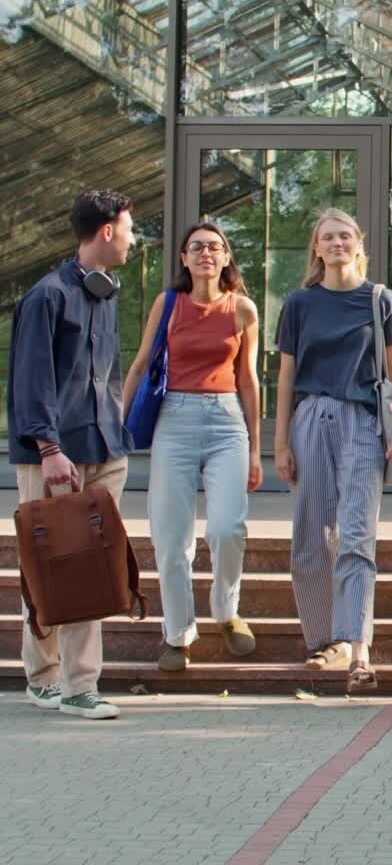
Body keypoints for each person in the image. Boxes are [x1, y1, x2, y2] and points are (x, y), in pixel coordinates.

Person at [8, 189, 136, 720]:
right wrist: (50, 449)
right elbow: (30, 378)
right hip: (55, 455)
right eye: (129, 228)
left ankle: (79, 682)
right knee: (51, 565)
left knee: (93, 565)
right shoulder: (47, 296)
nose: (133, 239)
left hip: (106, 449)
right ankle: (45, 675)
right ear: (106, 230)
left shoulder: (105, 297)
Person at [274, 208, 392, 693]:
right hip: (310, 419)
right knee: (312, 534)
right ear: (317, 248)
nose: (336, 243)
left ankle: (359, 652)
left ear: (358, 244)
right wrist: (280, 441)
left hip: (363, 421)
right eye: (328, 237)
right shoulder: (298, 304)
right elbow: (286, 377)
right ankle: (324, 640)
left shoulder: (379, 300)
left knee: (356, 534)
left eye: (345, 235)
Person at [123, 222, 261, 672]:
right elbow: (142, 364)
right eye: (196, 247)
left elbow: (248, 380)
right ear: (183, 258)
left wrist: (257, 449)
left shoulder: (243, 309)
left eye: (215, 247)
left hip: (226, 422)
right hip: (175, 421)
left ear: (226, 259)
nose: (205, 253)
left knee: (227, 528)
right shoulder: (169, 303)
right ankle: (177, 634)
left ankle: (227, 611)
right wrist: (118, 426)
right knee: (170, 535)